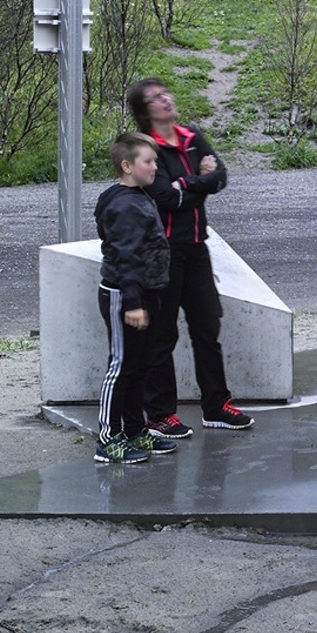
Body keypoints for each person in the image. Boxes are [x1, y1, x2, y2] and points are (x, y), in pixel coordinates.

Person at [126, 78, 254, 434]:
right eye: (155, 98)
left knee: (207, 328)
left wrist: (188, 185)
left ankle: (217, 406)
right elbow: (165, 198)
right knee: (163, 335)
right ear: (144, 110)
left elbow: (221, 178)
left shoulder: (191, 136)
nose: (165, 99)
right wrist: (199, 182)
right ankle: (159, 414)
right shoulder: (147, 148)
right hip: (163, 253)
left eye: (166, 92)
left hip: (198, 247)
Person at [93, 131, 175, 466]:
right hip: (126, 296)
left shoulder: (139, 196)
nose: (155, 167)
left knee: (140, 366)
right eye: (148, 161)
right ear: (127, 165)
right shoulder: (124, 205)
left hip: (147, 292)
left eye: (155, 160)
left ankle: (135, 430)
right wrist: (132, 302)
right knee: (121, 367)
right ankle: (108, 439)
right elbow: (124, 256)